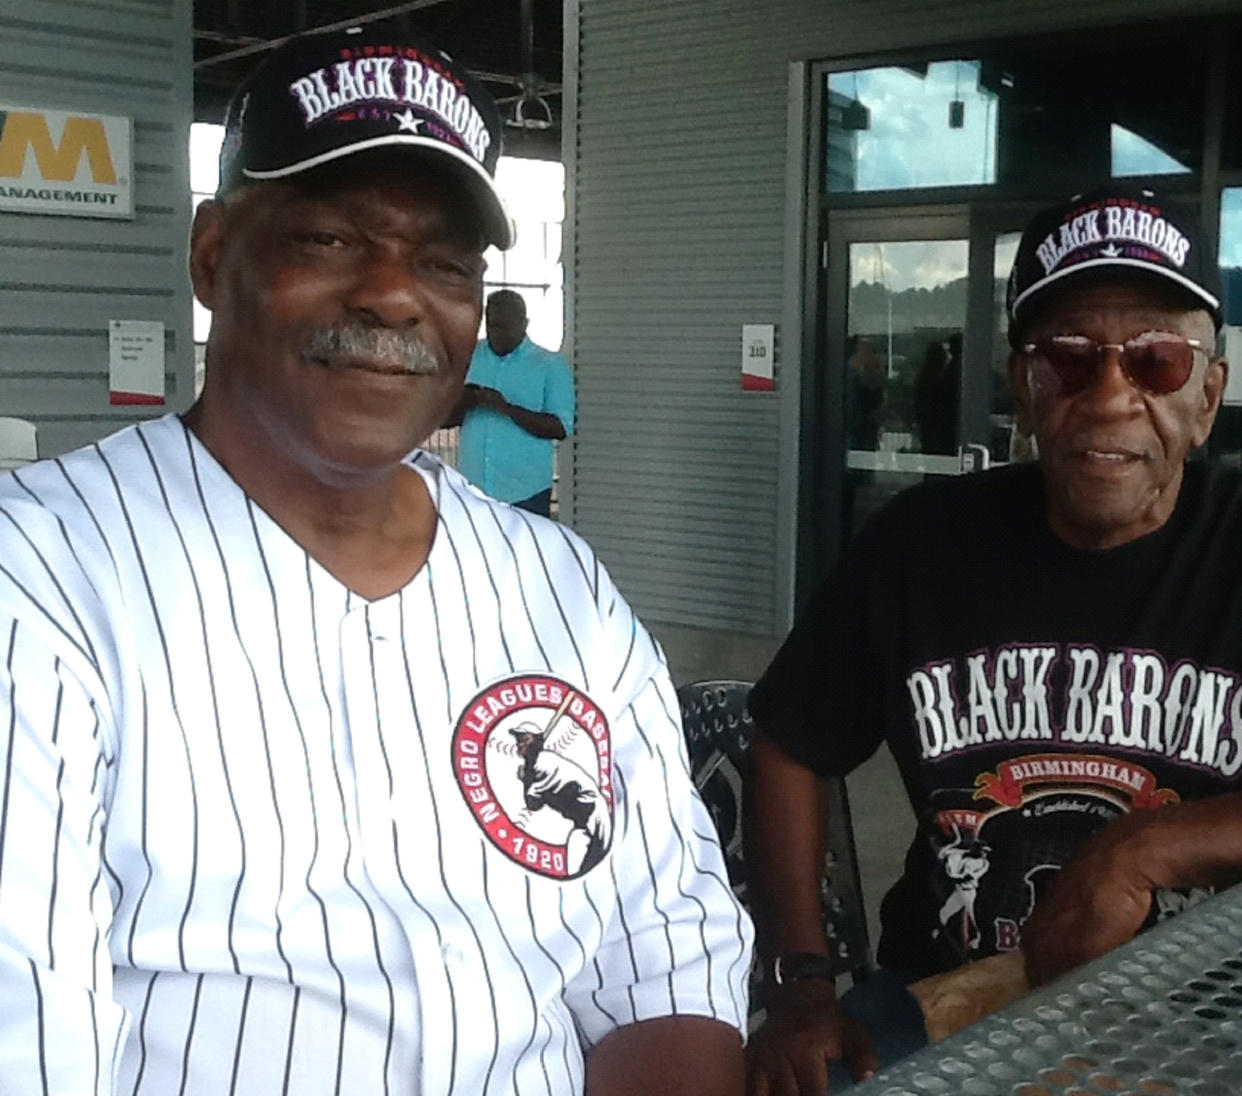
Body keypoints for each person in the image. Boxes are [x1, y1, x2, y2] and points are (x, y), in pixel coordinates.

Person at [0, 27, 751, 1095]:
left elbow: (665, 961)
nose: (395, 294)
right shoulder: (40, 580)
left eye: (443, 261)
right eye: (331, 238)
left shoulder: (564, 593)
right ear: (214, 256)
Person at [744, 185, 1242, 1093]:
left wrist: (1147, 848)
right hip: (947, 997)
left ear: (1208, 395)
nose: (1111, 398)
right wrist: (800, 983)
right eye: (1069, 360)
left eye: (1156, 362)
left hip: (1203, 1012)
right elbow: (787, 744)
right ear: (1024, 386)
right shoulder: (921, 545)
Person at [455, 289, 575, 517]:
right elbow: (443, 420)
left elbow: (560, 428)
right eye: (490, 326)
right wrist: (466, 401)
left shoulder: (550, 365)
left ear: (524, 324)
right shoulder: (469, 357)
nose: (495, 334)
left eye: (503, 327)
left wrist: (506, 409)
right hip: (471, 491)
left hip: (525, 494)